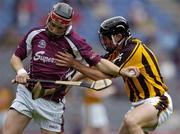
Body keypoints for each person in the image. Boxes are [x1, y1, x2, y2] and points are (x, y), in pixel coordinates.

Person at [3, 2, 139, 134]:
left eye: (59, 28)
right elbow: (16, 58)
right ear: (49, 17)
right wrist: (20, 71)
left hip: (52, 102)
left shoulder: (76, 42)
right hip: (27, 94)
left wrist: (121, 71)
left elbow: (100, 63)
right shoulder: (35, 34)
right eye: (52, 25)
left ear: (67, 25)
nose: (54, 30)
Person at [55, 16, 173, 134]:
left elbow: (104, 76)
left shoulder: (132, 49)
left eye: (107, 38)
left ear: (118, 36)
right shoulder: (117, 52)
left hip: (158, 101)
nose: (104, 42)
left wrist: (75, 64)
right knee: (129, 122)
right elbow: (90, 66)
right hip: (139, 105)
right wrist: (69, 85)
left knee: (131, 121)